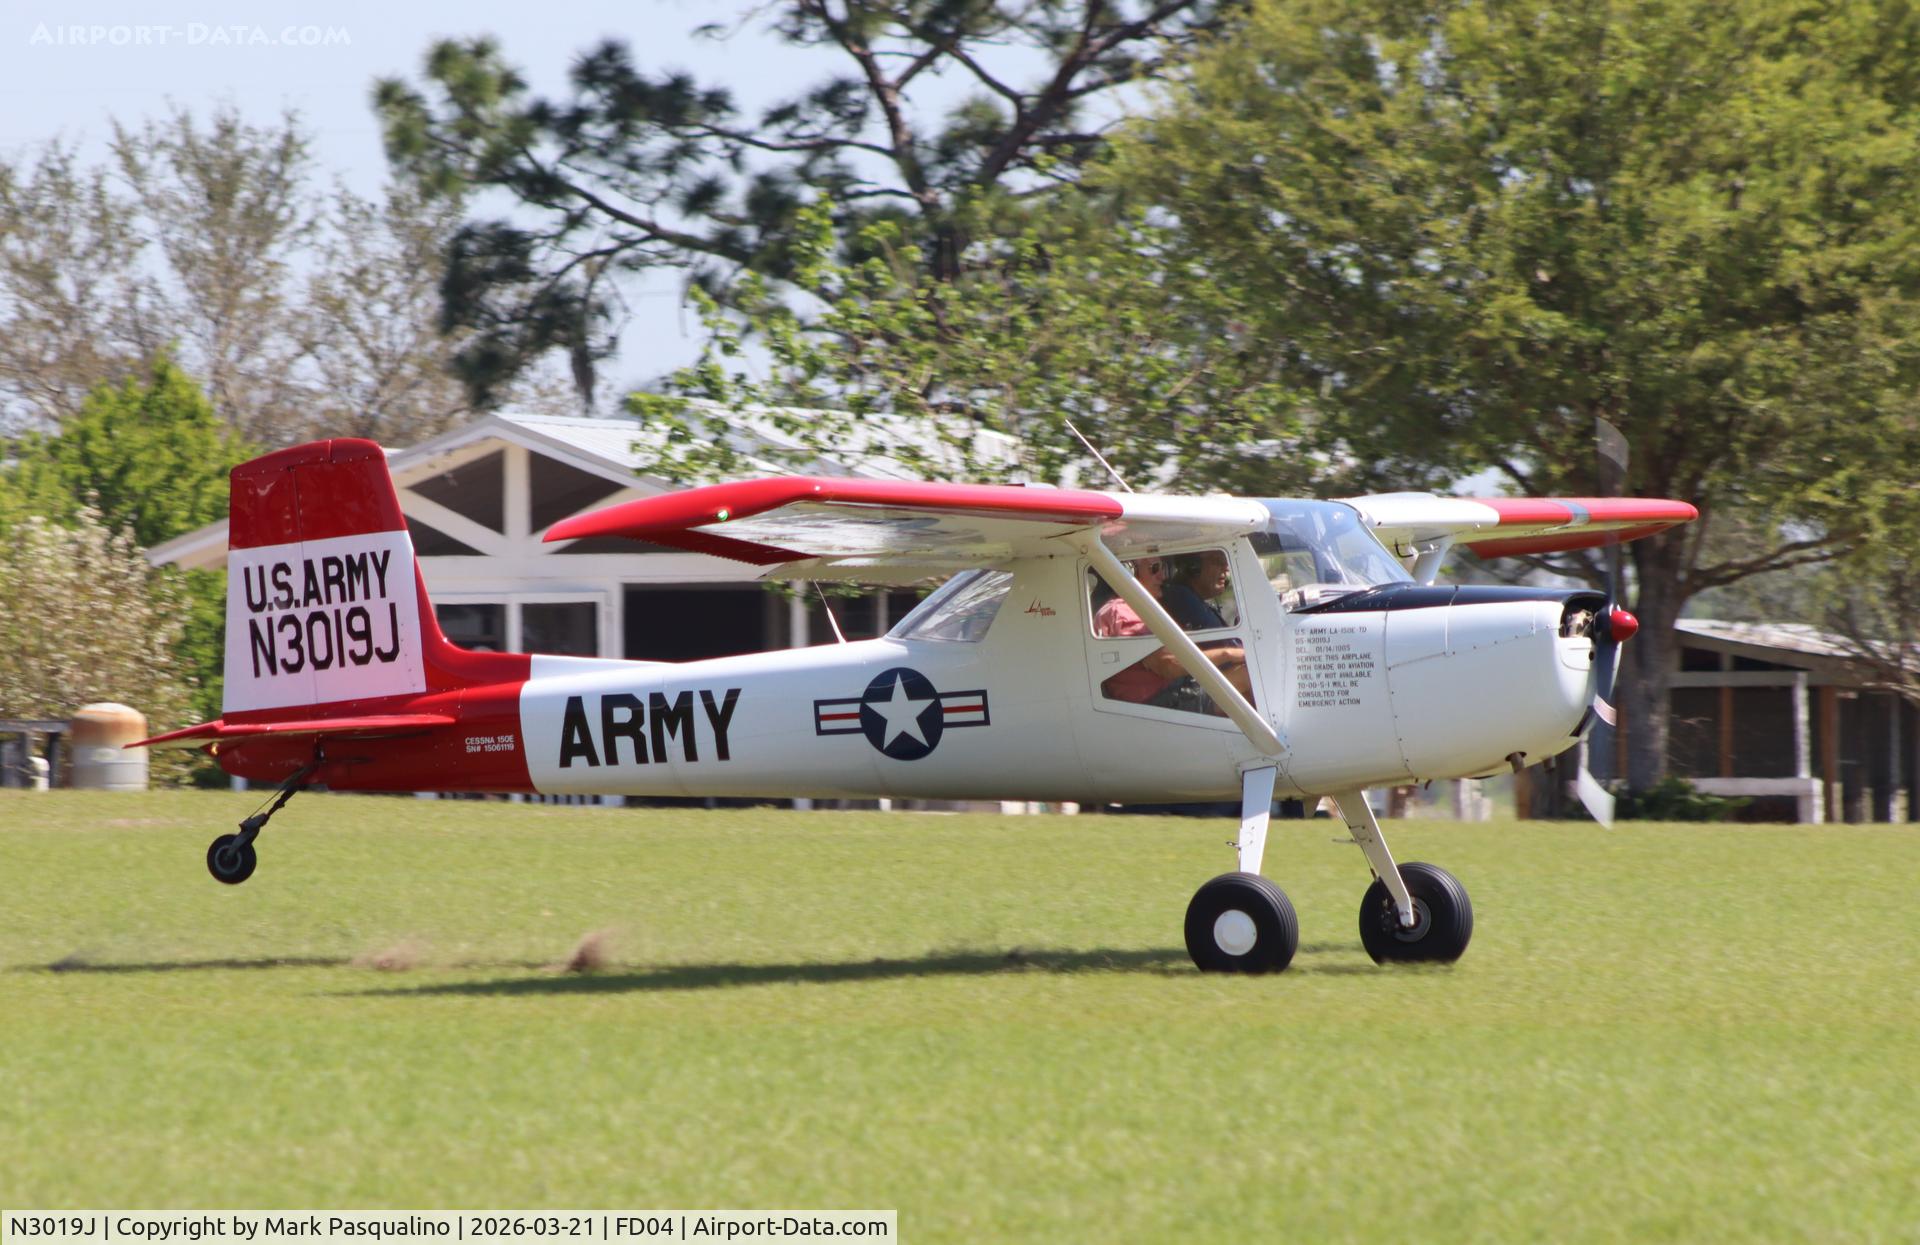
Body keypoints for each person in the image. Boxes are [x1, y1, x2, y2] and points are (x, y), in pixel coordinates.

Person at [1093, 557, 1253, 710]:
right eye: (1154, 569)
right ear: (1129, 572)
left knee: (1245, 673)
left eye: (1163, 568)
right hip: (1155, 704)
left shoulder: (1138, 609)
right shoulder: (1120, 613)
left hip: (1171, 691)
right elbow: (1168, 666)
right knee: (1247, 675)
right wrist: (1228, 654)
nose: (1162, 576)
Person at [1164, 550, 1232, 631]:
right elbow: (1221, 641)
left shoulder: (1192, 599)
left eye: (1226, 562)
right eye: (1217, 561)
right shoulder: (1181, 597)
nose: (1226, 568)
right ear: (1194, 567)